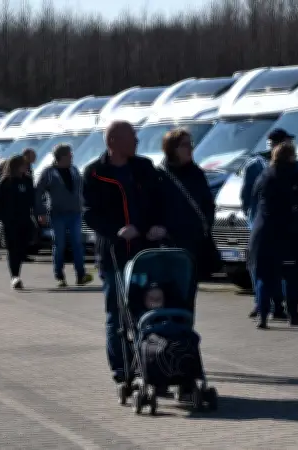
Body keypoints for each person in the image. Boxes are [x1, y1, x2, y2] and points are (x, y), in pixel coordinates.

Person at [82, 120, 166, 385]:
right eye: (133, 137)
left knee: (148, 309)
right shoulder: (94, 173)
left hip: (143, 252)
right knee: (117, 313)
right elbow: (89, 214)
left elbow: (156, 202)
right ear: (114, 142)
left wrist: (146, 227)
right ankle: (122, 370)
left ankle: (152, 363)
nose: (137, 142)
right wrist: (116, 230)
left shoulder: (144, 167)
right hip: (114, 255)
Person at [248, 142, 298, 329]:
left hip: (264, 233)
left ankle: (263, 316)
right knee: (291, 276)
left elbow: (253, 196)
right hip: (290, 235)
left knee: (264, 275)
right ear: (291, 157)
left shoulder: (264, 176)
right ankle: (293, 316)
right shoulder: (296, 177)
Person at [241, 128, 294, 320]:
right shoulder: (275, 165)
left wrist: (250, 215)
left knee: (259, 266)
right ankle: (275, 305)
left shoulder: (254, 163)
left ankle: (262, 304)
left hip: (257, 223)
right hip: (274, 223)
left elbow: (246, 196)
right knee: (276, 266)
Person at [156, 128, 219, 279]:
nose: (190, 148)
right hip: (170, 244)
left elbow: (208, 204)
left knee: (189, 291)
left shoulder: (196, 173)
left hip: (195, 243)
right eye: (185, 145)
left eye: (191, 144)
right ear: (172, 149)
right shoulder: (159, 175)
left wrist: (205, 224)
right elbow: (153, 208)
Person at [35, 144, 93, 287]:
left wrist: (86, 203)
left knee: (77, 244)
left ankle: (81, 275)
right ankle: (59, 275)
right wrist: (41, 212)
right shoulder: (48, 172)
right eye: (69, 155)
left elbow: (82, 189)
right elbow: (38, 192)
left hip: (75, 213)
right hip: (57, 214)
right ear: (62, 157)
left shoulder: (74, 170)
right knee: (59, 244)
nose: (72, 157)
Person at [0, 154, 36, 290]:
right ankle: (15, 276)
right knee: (13, 249)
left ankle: (17, 272)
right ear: (16, 166)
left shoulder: (28, 180)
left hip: (24, 219)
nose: (26, 167)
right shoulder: (6, 181)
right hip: (10, 221)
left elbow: (32, 199)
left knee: (22, 248)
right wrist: (2, 216)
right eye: (23, 164)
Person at [21, 147, 38, 262]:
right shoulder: (22, 168)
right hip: (22, 204)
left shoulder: (29, 167)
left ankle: (25, 251)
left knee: (28, 228)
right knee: (23, 229)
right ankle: (22, 254)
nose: (35, 158)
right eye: (33, 156)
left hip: (27, 203)